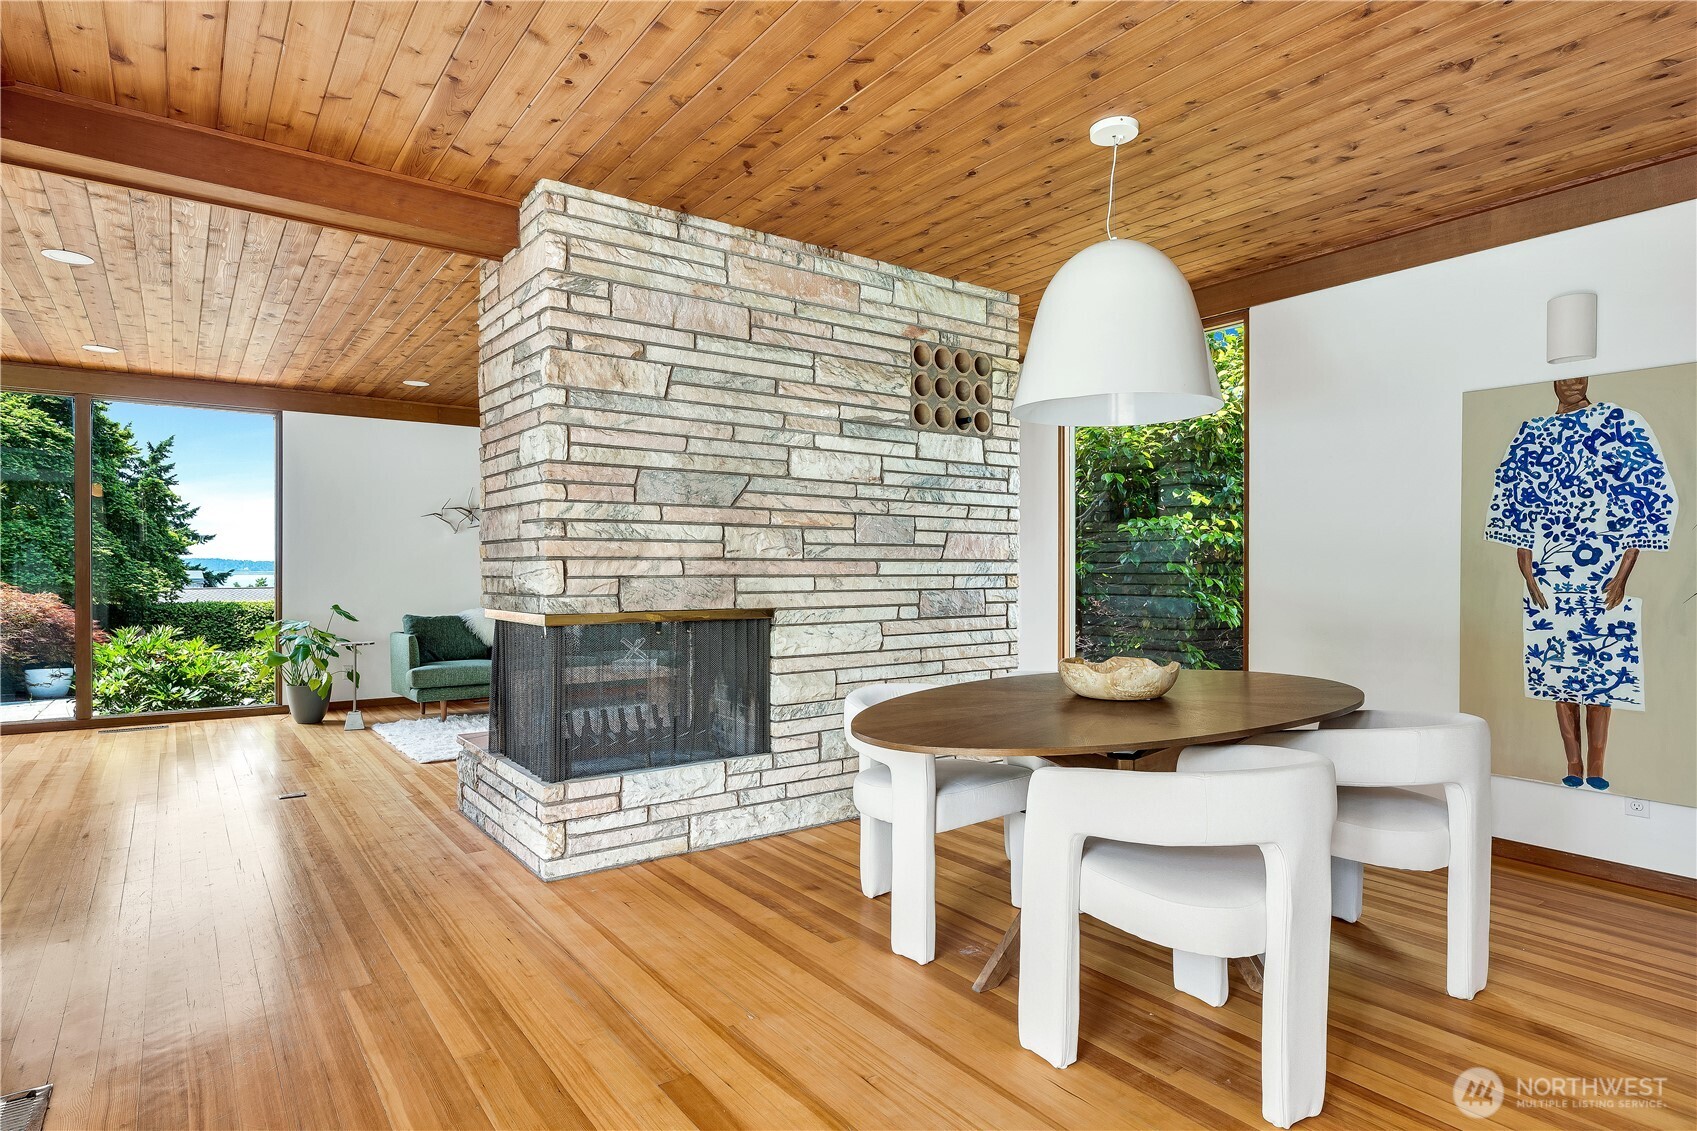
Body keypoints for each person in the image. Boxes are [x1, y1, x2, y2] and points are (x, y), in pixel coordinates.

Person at [1484, 377, 1679, 790]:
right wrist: (1527, 567)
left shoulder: (1620, 423)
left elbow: (1645, 496)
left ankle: (1598, 765)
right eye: (1564, 373)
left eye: (1580, 372)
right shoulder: (1531, 433)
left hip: (1602, 569)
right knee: (1559, 672)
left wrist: (1623, 574)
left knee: (1601, 670)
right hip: (1550, 572)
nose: (1572, 380)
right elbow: (1515, 501)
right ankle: (1573, 763)